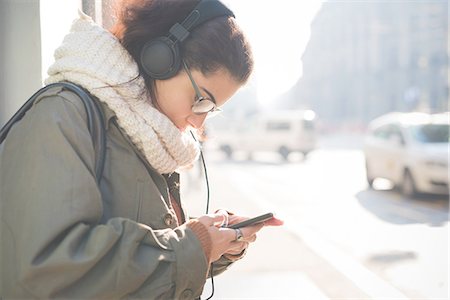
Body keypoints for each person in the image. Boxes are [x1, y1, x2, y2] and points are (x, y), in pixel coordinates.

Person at [0, 0, 283, 298]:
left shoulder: (142, 132)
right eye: (201, 99)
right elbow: (47, 271)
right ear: (161, 58)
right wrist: (195, 245)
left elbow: (131, 273)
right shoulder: (62, 116)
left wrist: (213, 245)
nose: (199, 122)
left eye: (211, 110)